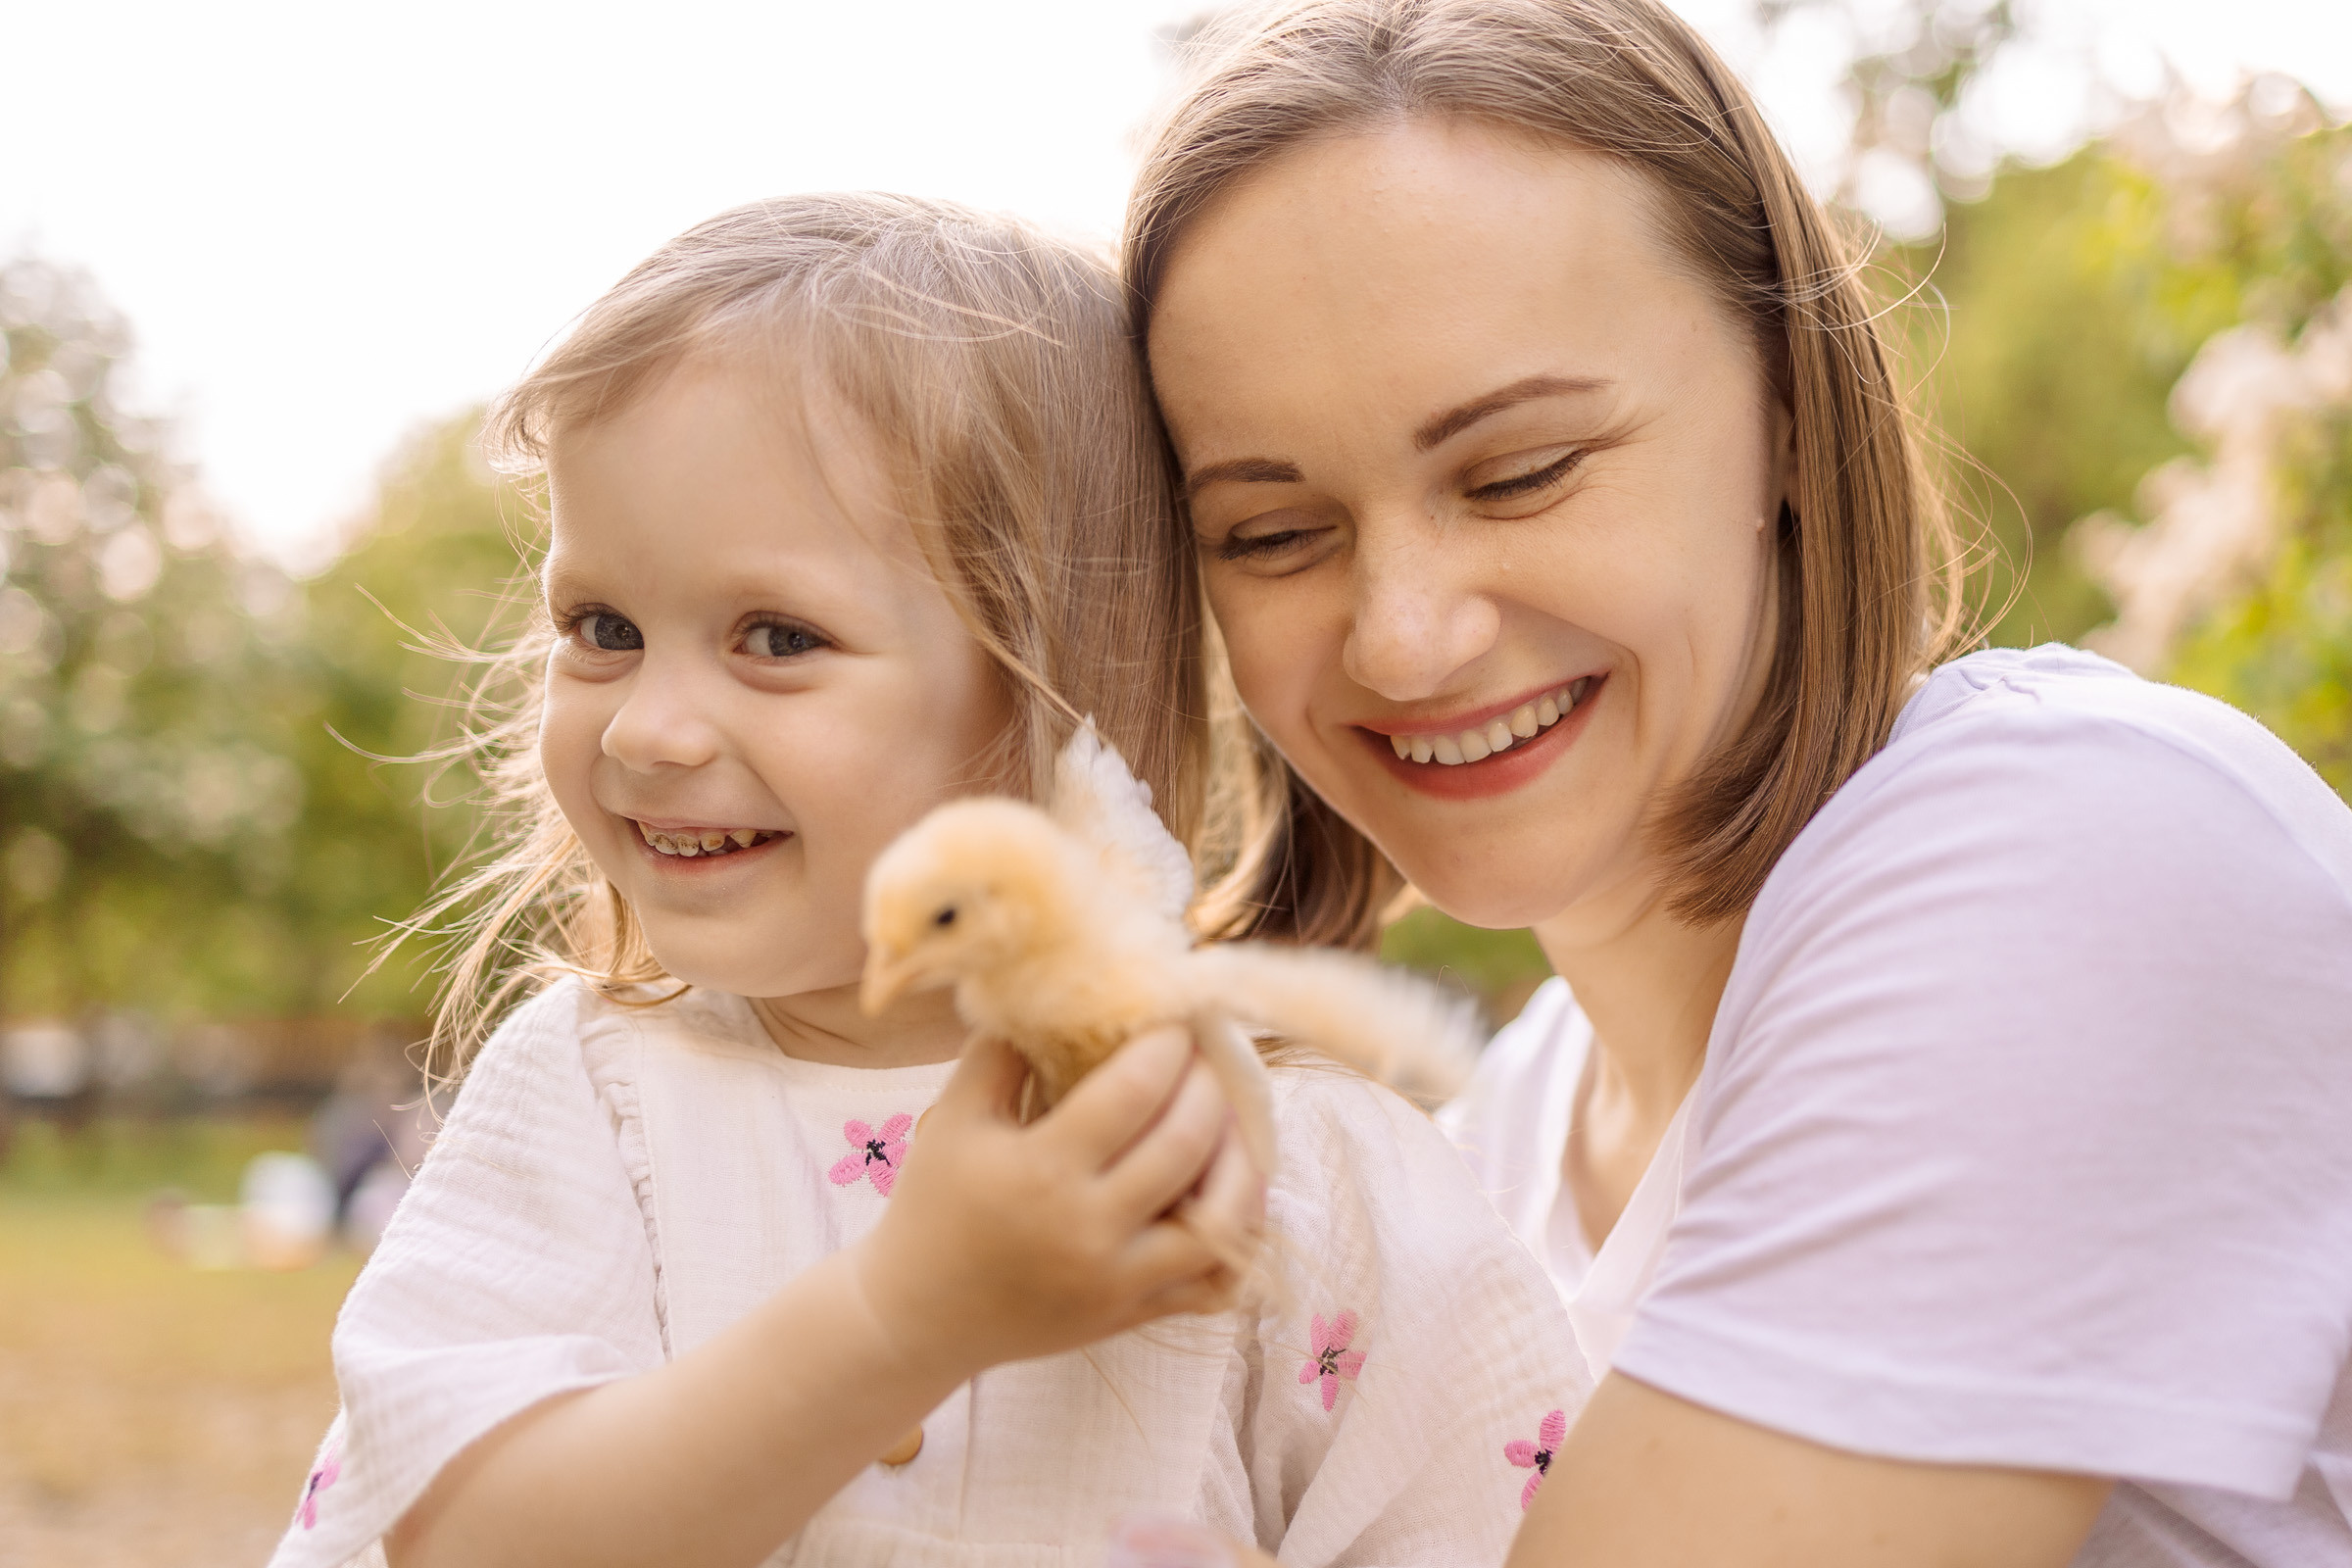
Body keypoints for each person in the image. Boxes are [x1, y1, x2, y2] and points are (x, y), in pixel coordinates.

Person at [1119, 3, 2352, 1565]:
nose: (1406, 637)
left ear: (1782, 407)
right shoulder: (1507, 1138)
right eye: (1273, 533)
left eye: (1518, 472)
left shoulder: (2072, 853)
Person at [267, 193, 1585, 1568]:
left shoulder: (1291, 1161)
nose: (650, 728)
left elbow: (1500, 1524)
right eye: (603, 628)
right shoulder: (594, 1101)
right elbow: (457, 1536)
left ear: (1049, 697)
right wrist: (903, 1317)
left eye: (776, 636)